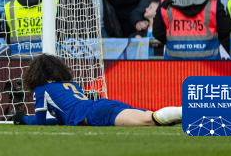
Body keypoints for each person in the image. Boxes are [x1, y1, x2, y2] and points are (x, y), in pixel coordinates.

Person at [14, 54, 182, 126]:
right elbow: (61, 120)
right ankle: (185, 113)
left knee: (150, 120)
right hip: (101, 105)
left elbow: (41, 122)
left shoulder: (41, 90)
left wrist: (23, 119)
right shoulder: (71, 85)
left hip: (94, 114)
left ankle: (188, 111)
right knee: (153, 118)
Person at [152, 0, 231, 60]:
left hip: (175, 66)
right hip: (208, 65)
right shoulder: (213, 3)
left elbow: (157, 32)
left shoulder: (166, 5)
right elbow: (226, 30)